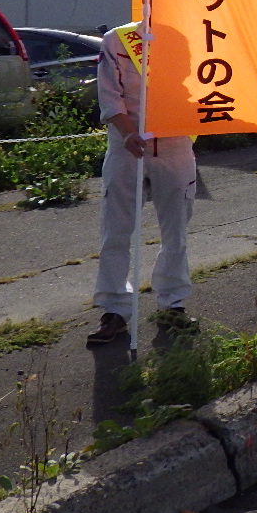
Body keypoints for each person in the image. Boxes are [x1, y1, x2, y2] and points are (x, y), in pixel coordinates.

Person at [87, 21, 198, 344]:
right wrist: (127, 133)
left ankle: (172, 304)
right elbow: (109, 95)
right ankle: (114, 309)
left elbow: (193, 85)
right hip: (126, 147)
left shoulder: (183, 35)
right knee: (116, 230)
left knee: (175, 230)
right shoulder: (118, 40)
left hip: (175, 145)